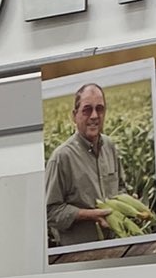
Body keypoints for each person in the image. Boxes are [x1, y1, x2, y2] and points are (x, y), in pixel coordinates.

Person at [43, 83, 127, 252]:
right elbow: (49, 212)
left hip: (115, 244)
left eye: (99, 109)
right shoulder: (62, 158)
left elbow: (120, 187)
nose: (94, 116)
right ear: (75, 116)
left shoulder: (110, 146)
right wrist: (89, 215)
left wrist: (130, 205)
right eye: (87, 110)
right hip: (79, 254)